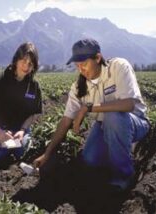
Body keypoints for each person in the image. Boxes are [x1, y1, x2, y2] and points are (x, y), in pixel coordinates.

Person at [33, 38, 150, 190]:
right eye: (77, 65)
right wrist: (47, 154)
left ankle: (123, 176)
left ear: (98, 58)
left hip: (135, 123)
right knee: (90, 159)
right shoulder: (78, 88)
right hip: (104, 126)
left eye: (84, 64)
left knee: (113, 117)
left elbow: (128, 104)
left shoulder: (118, 66)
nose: (81, 69)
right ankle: (116, 151)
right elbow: (66, 120)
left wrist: (88, 108)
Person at [0, 42, 42, 161]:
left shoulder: (33, 86)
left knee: (24, 152)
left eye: (31, 64)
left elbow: (33, 113)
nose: (26, 66)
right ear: (16, 59)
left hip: (18, 128)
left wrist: (22, 130)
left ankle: (9, 148)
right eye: (24, 61)